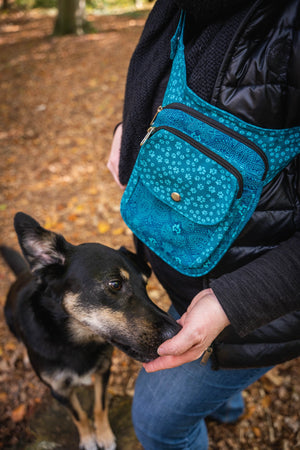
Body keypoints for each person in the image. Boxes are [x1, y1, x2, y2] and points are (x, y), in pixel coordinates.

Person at [108, 0, 300, 448]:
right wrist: (129, 129)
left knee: (158, 424)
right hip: (185, 272)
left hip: (250, 297)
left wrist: (233, 303)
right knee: (212, 394)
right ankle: (226, 403)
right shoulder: (182, 7)